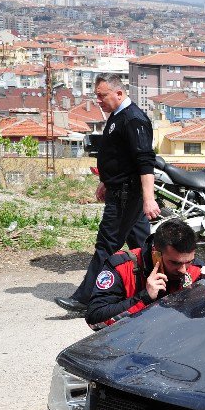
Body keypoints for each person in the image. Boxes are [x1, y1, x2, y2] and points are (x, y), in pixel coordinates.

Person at [55, 74, 161, 315]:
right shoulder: (117, 116)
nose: (98, 100)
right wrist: (105, 182)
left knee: (107, 244)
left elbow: (145, 161)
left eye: (102, 95)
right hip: (119, 189)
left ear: (119, 94)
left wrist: (148, 199)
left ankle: (86, 298)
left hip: (127, 194)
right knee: (143, 245)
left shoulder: (134, 119)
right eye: (97, 95)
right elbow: (117, 156)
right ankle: (159, 285)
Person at [85, 218, 205, 330]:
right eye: (175, 263)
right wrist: (144, 298)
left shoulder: (195, 269)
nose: (183, 270)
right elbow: (94, 321)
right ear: (156, 254)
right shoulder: (122, 267)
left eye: (189, 261)